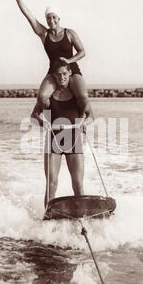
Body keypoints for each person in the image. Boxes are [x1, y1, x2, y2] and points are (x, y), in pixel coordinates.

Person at [13, 0, 93, 119]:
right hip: (53, 70)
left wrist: (69, 60)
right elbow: (30, 17)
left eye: (54, 17)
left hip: (71, 69)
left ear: (59, 18)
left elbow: (82, 52)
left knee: (83, 96)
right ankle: (48, 117)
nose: (51, 20)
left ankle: (83, 117)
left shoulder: (69, 33)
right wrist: (19, 0)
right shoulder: (44, 34)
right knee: (42, 97)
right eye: (48, 18)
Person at [30, 60, 93, 208]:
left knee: (78, 184)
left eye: (65, 74)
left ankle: (81, 218)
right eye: (58, 75)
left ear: (70, 73)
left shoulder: (78, 95)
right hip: (53, 141)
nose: (62, 78)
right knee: (51, 184)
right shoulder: (48, 97)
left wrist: (84, 123)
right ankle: (47, 218)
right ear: (53, 76)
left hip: (73, 140)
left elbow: (91, 117)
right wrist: (42, 123)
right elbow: (33, 116)